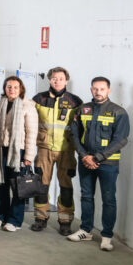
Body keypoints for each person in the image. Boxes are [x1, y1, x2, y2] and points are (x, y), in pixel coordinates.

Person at [68, 77, 130, 251]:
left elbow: (121, 140)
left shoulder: (119, 112)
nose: (98, 92)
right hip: (85, 161)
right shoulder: (82, 109)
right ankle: (85, 230)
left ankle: (107, 236)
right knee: (86, 196)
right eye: (95, 89)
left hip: (108, 163)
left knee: (108, 199)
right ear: (91, 90)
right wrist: (84, 156)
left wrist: (97, 158)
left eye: (102, 89)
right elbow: (75, 135)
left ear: (108, 90)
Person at [31, 67, 83, 235]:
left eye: (61, 78)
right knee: (41, 186)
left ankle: (65, 222)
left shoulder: (75, 102)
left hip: (66, 151)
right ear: (49, 80)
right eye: (54, 78)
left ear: (66, 81)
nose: (57, 81)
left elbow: (81, 128)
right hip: (44, 150)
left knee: (66, 187)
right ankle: (40, 219)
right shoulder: (38, 99)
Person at [0, 76, 37, 232]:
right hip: (1, 150)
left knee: (18, 187)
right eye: (9, 87)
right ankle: (1, 215)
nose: (12, 90)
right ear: (4, 88)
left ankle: (15, 220)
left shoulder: (27, 106)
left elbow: (31, 133)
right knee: (2, 184)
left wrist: (29, 157)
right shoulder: (0, 104)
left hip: (19, 151)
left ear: (21, 89)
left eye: (15, 87)